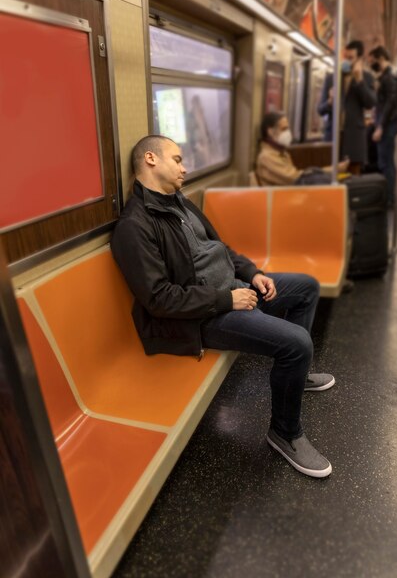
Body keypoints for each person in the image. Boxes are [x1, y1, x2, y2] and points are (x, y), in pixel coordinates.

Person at [111, 135, 335, 479]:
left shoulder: (179, 203)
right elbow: (159, 299)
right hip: (200, 318)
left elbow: (218, 248)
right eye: (178, 159)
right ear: (151, 159)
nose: (185, 167)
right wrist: (227, 300)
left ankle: (297, 377)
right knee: (296, 343)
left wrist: (253, 273)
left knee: (306, 287)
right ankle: (285, 433)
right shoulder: (134, 226)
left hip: (234, 289)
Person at [318, 40, 377, 172]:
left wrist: (359, 80)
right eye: (345, 57)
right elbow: (320, 110)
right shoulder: (331, 78)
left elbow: (370, 103)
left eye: (351, 58)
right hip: (332, 137)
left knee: (353, 179)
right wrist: (329, 102)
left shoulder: (367, 78)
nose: (346, 61)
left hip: (354, 140)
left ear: (359, 59)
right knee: (329, 180)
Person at [256, 112, 349, 186]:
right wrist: (332, 170)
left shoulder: (281, 152)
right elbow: (296, 178)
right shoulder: (267, 157)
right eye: (284, 129)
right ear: (271, 132)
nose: (288, 133)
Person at [368, 46, 397, 207]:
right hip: (387, 123)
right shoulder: (386, 77)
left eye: (372, 59)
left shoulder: (391, 77)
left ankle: (389, 198)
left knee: (386, 161)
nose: (371, 63)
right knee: (386, 160)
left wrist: (380, 126)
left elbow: (390, 104)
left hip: (388, 125)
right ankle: (388, 196)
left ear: (381, 58)